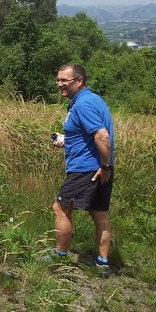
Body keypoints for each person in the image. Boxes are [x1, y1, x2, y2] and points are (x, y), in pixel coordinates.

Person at [50, 63, 115, 276]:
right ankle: (102, 262)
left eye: (64, 81)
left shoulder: (82, 105)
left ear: (79, 81)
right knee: (99, 214)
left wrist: (103, 166)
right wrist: (67, 140)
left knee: (61, 208)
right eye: (58, 80)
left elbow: (102, 135)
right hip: (100, 168)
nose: (60, 84)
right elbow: (89, 134)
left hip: (86, 169)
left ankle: (59, 255)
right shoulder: (93, 99)